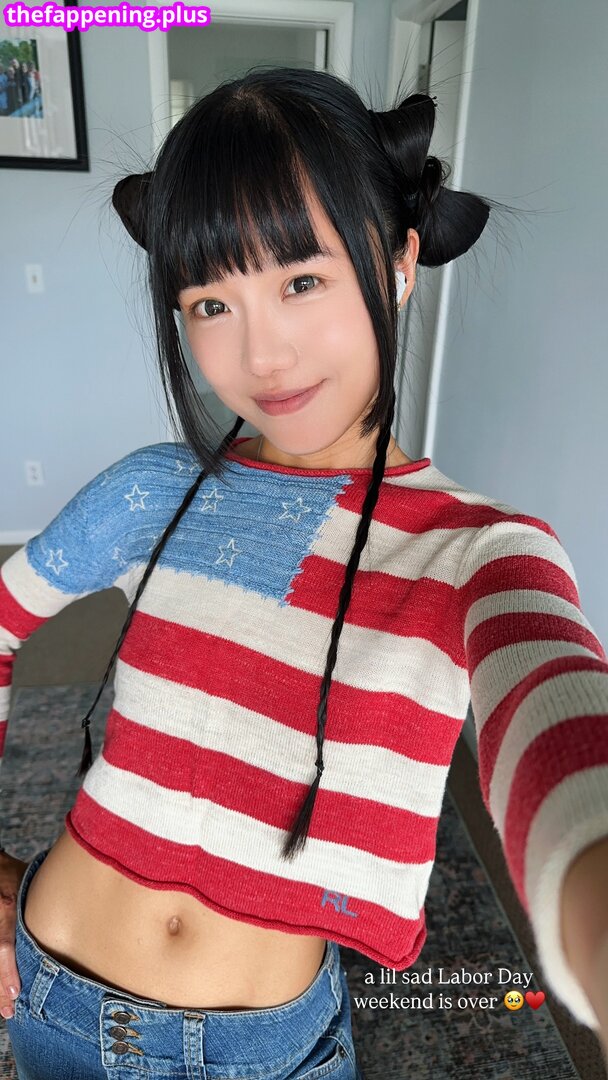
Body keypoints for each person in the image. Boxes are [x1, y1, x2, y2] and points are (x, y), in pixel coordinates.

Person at [1, 65, 607, 1078]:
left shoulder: (479, 552)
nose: (263, 356)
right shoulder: (153, 490)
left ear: (398, 260)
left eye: (300, 282)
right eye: (210, 302)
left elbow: (560, 723)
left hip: (262, 1051)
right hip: (50, 1000)